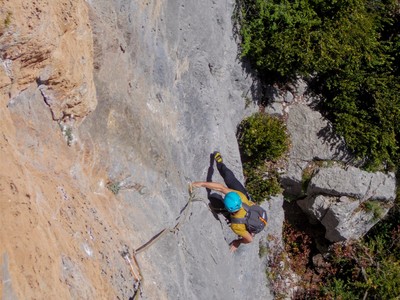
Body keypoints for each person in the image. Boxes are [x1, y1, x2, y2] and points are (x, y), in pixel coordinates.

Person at [191, 151, 256, 252]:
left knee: (214, 199)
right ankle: (220, 163)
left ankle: (218, 207)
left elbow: (250, 239)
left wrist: (238, 241)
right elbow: (221, 188)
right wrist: (202, 184)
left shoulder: (237, 226)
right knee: (229, 179)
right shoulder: (241, 196)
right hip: (246, 203)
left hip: (241, 218)